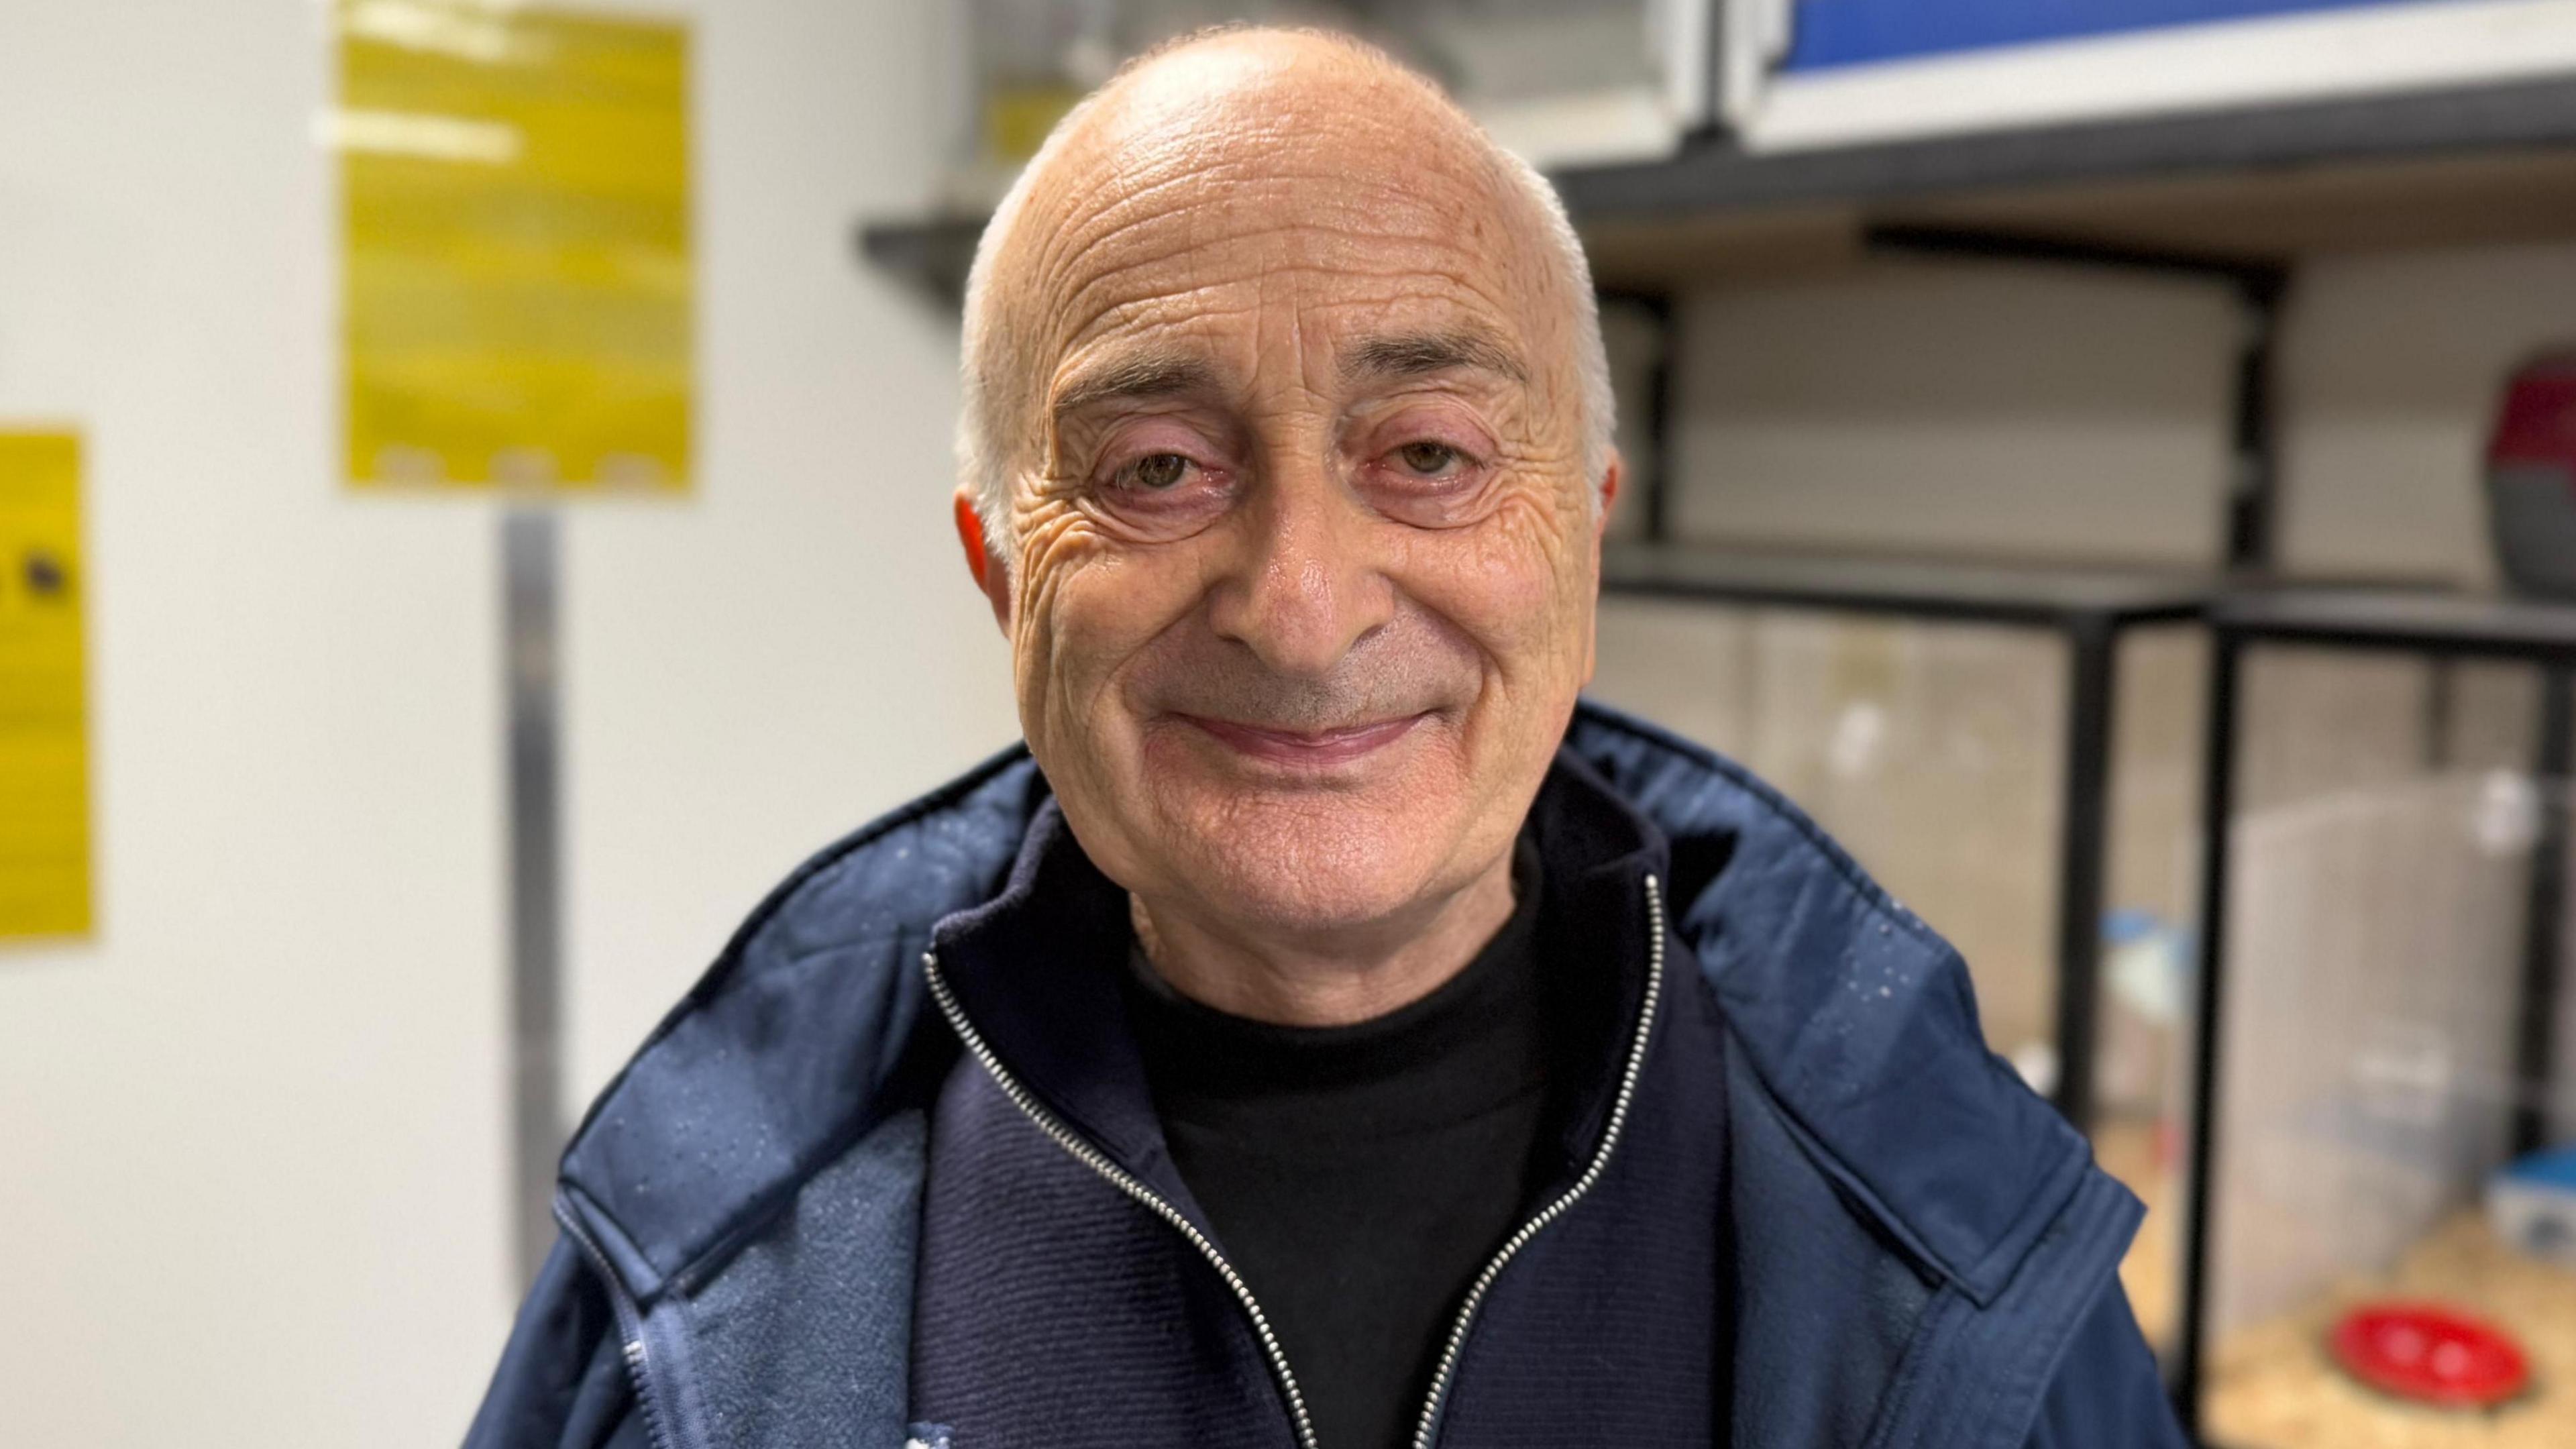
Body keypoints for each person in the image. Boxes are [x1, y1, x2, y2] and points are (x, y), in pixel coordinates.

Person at [467, 26, 2186, 1449]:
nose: (1299, 607)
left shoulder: (1945, 1231)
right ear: (1004, 578)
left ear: (1581, 536)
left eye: (1427, 454)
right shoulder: (711, 1250)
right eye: (1156, 469)